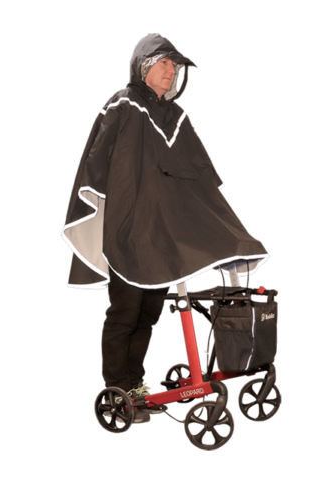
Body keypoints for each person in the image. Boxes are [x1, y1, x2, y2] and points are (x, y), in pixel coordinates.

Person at [61, 34, 270, 425]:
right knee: (125, 312)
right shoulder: (123, 104)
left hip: (163, 239)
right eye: (164, 63)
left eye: (175, 66)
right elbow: (97, 162)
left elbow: (200, 181)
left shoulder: (177, 118)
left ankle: (137, 387)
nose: (171, 71)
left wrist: (228, 233)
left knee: (150, 314)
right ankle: (117, 390)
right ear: (143, 66)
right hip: (128, 230)